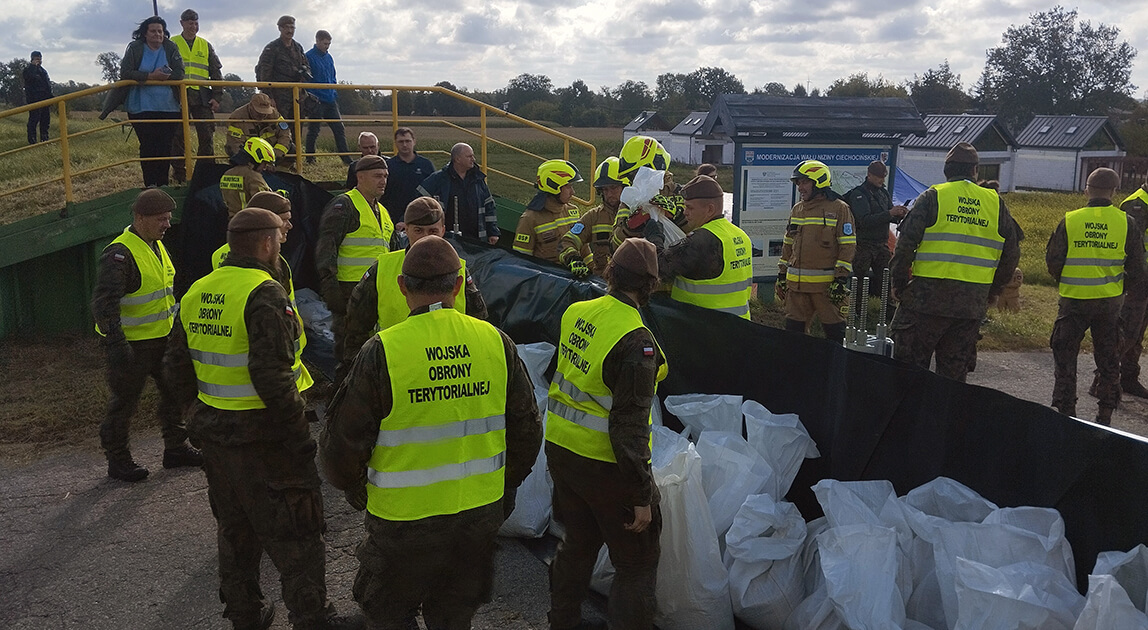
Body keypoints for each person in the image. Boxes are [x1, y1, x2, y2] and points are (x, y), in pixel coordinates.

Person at [319, 235, 541, 630]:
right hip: (477, 517)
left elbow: (340, 450)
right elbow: (526, 432)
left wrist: (359, 491)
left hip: (403, 524)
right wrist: (500, 491)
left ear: (403, 288)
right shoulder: (496, 342)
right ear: (459, 285)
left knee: (390, 616)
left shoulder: (382, 351)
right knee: (454, 618)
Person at [166, 208, 359, 630]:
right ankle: (312, 618)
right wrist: (300, 440)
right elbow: (272, 377)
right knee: (298, 533)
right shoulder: (264, 292)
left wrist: (196, 414)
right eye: (279, 239)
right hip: (268, 441)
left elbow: (176, 366)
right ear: (267, 243)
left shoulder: (199, 289)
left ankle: (244, 616)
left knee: (235, 531)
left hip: (218, 440)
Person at [546, 238, 668, 630]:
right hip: (605, 464)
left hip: (563, 451)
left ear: (610, 272)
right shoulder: (636, 341)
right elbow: (629, 427)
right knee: (636, 563)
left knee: (578, 543)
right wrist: (641, 495)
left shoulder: (577, 312)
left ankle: (561, 620)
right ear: (651, 285)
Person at [91, 189, 201, 482]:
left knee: (174, 393)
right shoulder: (120, 254)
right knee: (124, 402)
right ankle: (118, 460)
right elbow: (104, 303)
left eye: (168, 219)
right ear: (140, 218)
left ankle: (176, 449)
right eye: (160, 219)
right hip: (133, 345)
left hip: (162, 339)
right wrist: (116, 345)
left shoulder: (155, 245)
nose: (167, 224)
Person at [888, 142, 1021, 382]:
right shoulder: (995, 203)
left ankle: (909, 420)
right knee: (953, 381)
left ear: (947, 170)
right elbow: (1011, 254)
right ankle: (947, 420)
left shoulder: (933, 196)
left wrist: (898, 283)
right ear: (975, 171)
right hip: (970, 306)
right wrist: (993, 291)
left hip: (924, 302)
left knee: (908, 375)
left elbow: (905, 244)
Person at [1046, 168, 1145, 424]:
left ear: (1087, 189)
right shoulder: (1126, 222)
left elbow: (1054, 260)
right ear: (1114, 191)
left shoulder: (1071, 219)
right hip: (1109, 305)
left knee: (1065, 358)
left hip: (1073, 302)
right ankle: (1105, 415)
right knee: (1109, 361)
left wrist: (1067, 281)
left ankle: (1066, 413)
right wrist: (1119, 289)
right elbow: (1136, 268)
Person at [342, 197, 487, 363]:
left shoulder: (459, 269)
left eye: (432, 231)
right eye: (418, 231)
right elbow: (356, 328)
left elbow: (478, 323)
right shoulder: (382, 268)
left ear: (443, 230)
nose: (425, 238)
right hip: (397, 366)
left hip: (445, 369)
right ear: (406, 229)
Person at [315, 154, 400, 383]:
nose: (383, 181)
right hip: (349, 292)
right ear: (360, 177)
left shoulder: (382, 211)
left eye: (385, 176)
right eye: (377, 176)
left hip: (376, 292)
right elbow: (326, 249)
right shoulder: (345, 206)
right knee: (350, 356)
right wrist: (331, 291)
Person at [650, 175, 754, 320]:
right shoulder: (741, 235)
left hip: (704, 329)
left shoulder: (700, 240)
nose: (685, 211)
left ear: (710, 209)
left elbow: (659, 266)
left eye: (689, 207)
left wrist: (655, 236)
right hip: (739, 325)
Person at [775, 160, 856, 342]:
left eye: (804, 182)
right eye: (798, 183)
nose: (800, 188)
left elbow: (848, 245)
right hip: (796, 290)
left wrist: (840, 279)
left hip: (826, 290)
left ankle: (832, 370)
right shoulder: (797, 209)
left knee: (835, 337)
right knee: (793, 339)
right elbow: (788, 244)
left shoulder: (839, 209)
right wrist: (781, 275)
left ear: (819, 181)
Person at [118, 16, 185, 187]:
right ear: (145, 34)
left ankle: (163, 184)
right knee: (148, 146)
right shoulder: (135, 48)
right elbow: (125, 72)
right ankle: (150, 184)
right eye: (153, 31)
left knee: (165, 147)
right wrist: (150, 76)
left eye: (160, 31)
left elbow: (180, 72)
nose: (157, 34)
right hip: (141, 107)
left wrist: (164, 76)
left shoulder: (171, 47)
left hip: (169, 107)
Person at [1099, 181, 1148, 399]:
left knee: (1137, 334)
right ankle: (1102, 380)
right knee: (1127, 333)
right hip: (1138, 282)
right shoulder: (1136, 204)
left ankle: (1128, 378)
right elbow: (1132, 248)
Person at [170, 8, 223, 184]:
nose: (193, 26)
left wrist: (217, 97)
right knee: (177, 135)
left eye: (195, 22)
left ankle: (205, 173)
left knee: (207, 134)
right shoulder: (172, 43)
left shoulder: (205, 45)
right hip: (177, 95)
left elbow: (216, 71)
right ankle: (180, 174)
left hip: (201, 95)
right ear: (182, 23)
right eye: (190, 22)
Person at [612, 135, 687, 248]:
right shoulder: (630, 201)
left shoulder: (684, 194)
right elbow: (614, 245)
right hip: (644, 263)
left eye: (636, 174)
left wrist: (678, 215)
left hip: (679, 263)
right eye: (631, 177)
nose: (634, 181)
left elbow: (700, 234)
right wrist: (630, 228)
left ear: (656, 166)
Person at [416, 142, 500, 244]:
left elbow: (489, 206)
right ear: (457, 159)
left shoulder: (478, 179)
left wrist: (492, 232)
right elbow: (419, 202)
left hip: (476, 240)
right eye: (469, 156)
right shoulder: (439, 179)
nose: (473, 159)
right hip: (448, 239)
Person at [559, 157, 628, 277]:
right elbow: (568, 241)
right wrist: (573, 259)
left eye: (613, 188)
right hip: (601, 283)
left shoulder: (636, 213)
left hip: (630, 284)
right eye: (605, 189)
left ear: (625, 187)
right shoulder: (593, 216)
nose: (609, 194)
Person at [845, 161, 907, 290]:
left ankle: (886, 309)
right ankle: (857, 309)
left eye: (883, 176)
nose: (881, 180)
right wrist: (889, 213)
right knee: (860, 283)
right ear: (869, 175)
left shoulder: (883, 193)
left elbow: (890, 215)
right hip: (864, 246)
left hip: (881, 245)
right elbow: (864, 221)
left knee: (886, 282)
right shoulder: (859, 194)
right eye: (879, 176)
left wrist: (900, 214)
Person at [513, 159, 585, 263]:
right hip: (548, 278)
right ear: (553, 186)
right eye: (568, 186)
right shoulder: (530, 219)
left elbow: (584, 249)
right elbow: (522, 262)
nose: (573, 192)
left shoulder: (573, 211)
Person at [303, 30, 351, 166]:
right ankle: (310, 158)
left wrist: (334, 91)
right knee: (314, 130)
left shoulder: (329, 57)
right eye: (325, 43)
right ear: (317, 41)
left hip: (330, 99)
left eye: (329, 44)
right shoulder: (308, 57)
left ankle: (346, 159)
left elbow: (333, 76)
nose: (327, 46)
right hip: (316, 99)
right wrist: (311, 96)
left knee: (339, 128)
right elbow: (306, 80)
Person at [255, 15, 311, 118]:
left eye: (292, 27)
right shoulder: (272, 48)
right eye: (286, 27)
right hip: (279, 96)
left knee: (297, 128)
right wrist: (269, 97)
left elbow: (306, 66)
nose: (290, 31)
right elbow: (264, 74)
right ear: (280, 28)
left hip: (297, 96)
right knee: (279, 128)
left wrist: (304, 74)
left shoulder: (298, 47)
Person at [380, 128, 436, 227]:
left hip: (421, 218)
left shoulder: (426, 165)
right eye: (401, 142)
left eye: (408, 141)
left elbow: (434, 192)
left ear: (414, 141)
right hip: (393, 220)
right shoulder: (388, 166)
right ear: (395, 143)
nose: (404, 145)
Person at [225, 93, 292, 162]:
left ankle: (280, 170)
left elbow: (285, 134)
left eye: (266, 112)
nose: (262, 115)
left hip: (271, 152)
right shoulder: (237, 117)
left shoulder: (275, 114)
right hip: (249, 154)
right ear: (251, 106)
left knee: (292, 148)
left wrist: (276, 154)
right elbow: (234, 144)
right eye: (259, 112)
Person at [219, 137, 274, 216]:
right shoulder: (253, 176)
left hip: (232, 222)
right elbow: (264, 201)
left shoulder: (227, 174)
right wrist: (280, 195)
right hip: (251, 221)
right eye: (264, 163)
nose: (264, 168)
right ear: (257, 158)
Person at [22, 51, 51, 144]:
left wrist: (50, 96)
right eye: (36, 58)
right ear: (32, 59)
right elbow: (30, 78)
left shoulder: (43, 71)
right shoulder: (28, 70)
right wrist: (33, 66)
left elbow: (47, 84)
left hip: (45, 99)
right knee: (34, 120)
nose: (39, 60)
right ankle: (32, 140)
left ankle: (44, 139)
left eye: (40, 58)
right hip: (34, 99)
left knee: (45, 120)